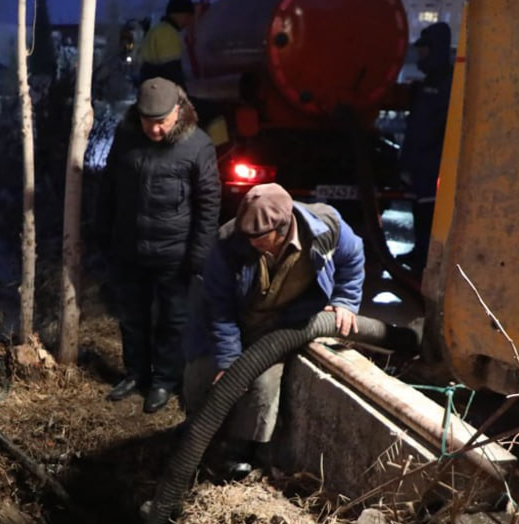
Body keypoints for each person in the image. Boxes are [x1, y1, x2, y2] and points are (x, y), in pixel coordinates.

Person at [185, 183, 364, 476]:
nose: (250, 241)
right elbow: (219, 307)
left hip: (285, 322)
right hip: (237, 317)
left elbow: (353, 255)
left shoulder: (325, 226)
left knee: (263, 383)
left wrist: (345, 299)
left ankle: (241, 450)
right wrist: (229, 360)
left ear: (282, 228)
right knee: (203, 373)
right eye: (247, 235)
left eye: (259, 237)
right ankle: (197, 438)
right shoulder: (229, 241)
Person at [96, 77, 221, 414]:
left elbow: (209, 205)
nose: (154, 129)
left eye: (161, 122)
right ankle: (136, 373)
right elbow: (109, 187)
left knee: (172, 320)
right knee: (131, 316)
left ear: (177, 111)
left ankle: (165, 380)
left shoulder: (198, 145)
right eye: (147, 121)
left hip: (174, 254)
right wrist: (102, 231)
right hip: (130, 248)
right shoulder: (126, 137)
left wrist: (199, 255)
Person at [398, 21, 454, 272]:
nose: (419, 54)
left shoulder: (444, 85)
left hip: (432, 161)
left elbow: (431, 127)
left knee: (429, 210)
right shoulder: (429, 83)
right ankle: (420, 251)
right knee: (419, 207)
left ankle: (427, 257)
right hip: (421, 161)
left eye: (424, 49)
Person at [137, 0, 195, 86]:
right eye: (188, 17)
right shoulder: (168, 33)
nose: (189, 22)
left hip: (148, 84)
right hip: (160, 88)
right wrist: (182, 91)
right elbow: (172, 71)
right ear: (180, 15)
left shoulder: (156, 29)